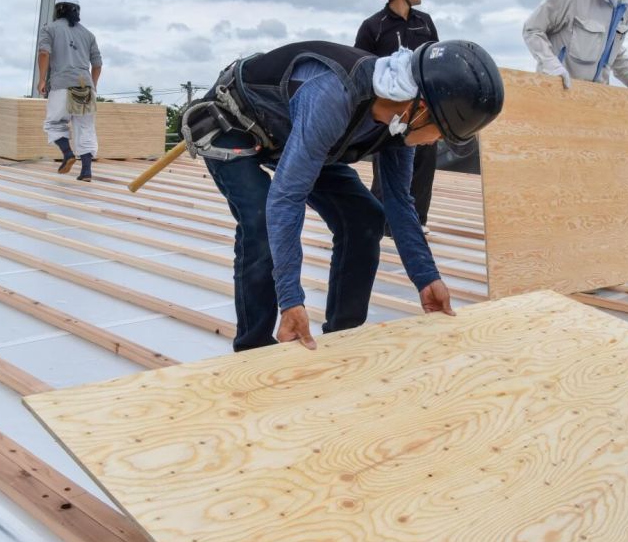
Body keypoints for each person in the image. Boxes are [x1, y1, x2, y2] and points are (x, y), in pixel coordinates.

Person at [185, 40, 503, 351]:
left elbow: (398, 203)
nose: (435, 143)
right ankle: (253, 348)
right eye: (442, 134)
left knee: (365, 217)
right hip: (233, 124)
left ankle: (343, 338)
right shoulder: (332, 95)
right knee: (260, 221)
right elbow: (286, 199)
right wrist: (291, 299)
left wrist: (426, 277)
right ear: (419, 110)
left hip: (298, 138)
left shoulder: (398, 126)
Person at [356, 0, 439, 236]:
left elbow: (434, 64)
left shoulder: (425, 23)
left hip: (422, 109)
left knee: (425, 160)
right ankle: (379, 221)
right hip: (390, 113)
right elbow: (362, 73)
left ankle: (416, 221)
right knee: (388, 169)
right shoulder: (373, 28)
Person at [37, 0, 102, 182]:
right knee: (85, 127)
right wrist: (93, 85)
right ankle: (86, 172)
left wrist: (42, 80)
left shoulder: (49, 29)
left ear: (58, 10)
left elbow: (43, 53)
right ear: (77, 10)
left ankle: (67, 154)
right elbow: (97, 64)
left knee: (54, 123)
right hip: (85, 86)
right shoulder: (88, 34)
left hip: (62, 84)